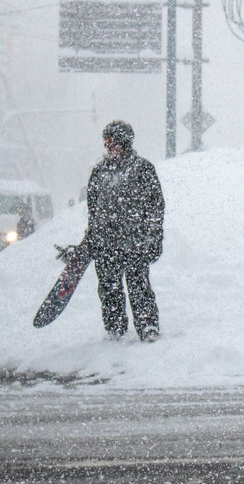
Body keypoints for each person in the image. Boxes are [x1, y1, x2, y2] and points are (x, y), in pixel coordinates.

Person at [83, 120, 165, 342]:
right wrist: (92, 235)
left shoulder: (142, 169)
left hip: (134, 243)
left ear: (125, 143)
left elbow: (155, 206)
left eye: (113, 143)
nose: (109, 148)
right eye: (106, 143)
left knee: (139, 286)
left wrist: (153, 237)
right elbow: (93, 207)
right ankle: (114, 328)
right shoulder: (99, 172)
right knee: (109, 288)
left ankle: (148, 326)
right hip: (105, 244)